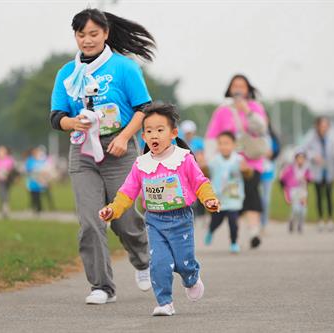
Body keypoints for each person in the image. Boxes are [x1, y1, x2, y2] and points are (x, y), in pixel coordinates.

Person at [49, 8, 154, 304]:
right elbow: (56, 116)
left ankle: (143, 259)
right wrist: (73, 123)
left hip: (119, 149)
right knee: (90, 222)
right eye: (81, 34)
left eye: (93, 34)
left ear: (105, 34)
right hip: (82, 151)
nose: (87, 40)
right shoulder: (67, 73)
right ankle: (101, 286)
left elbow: (143, 108)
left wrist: (123, 137)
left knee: (123, 217)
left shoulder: (124, 67)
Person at [99, 104, 219, 316]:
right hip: (154, 221)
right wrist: (113, 209)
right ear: (143, 136)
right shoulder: (141, 164)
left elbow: (200, 182)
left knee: (184, 263)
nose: (154, 135)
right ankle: (164, 302)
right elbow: (127, 192)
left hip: (180, 218)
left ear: (173, 133)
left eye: (160, 130)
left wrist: (209, 200)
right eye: (149, 131)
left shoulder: (183, 159)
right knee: (159, 263)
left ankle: (191, 277)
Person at [205, 74, 268, 248]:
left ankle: (254, 231)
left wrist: (247, 111)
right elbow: (211, 137)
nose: (238, 89)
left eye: (242, 86)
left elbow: (261, 128)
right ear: (230, 89)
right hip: (228, 164)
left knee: (252, 194)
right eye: (235, 86)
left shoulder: (255, 107)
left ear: (248, 89)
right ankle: (230, 230)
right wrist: (210, 162)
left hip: (251, 161)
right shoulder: (222, 111)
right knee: (231, 198)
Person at [204, 131, 249, 253]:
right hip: (218, 197)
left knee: (233, 221)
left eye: (227, 143)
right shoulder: (214, 161)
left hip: (233, 196)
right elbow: (204, 172)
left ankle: (234, 243)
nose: (223, 146)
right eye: (221, 143)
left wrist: (246, 170)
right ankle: (211, 231)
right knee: (216, 221)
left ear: (234, 145)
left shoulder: (239, 160)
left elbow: (248, 173)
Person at [304, 117, 334, 232]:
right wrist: (314, 156)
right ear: (317, 126)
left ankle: (330, 219)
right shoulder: (311, 138)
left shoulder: (332, 138)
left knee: (329, 196)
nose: (324, 128)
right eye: (321, 126)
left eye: (326, 126)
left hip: (329, 171)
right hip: (317, 171)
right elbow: (305, 151)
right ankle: (320, 220)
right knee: (319, 196)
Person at [280, 151, 312, 233]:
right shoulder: (290, 168)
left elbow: (310, 178)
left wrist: (306, 179)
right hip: (293, 190)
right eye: (299, 158)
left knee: (303, 209)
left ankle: (300, 224)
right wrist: (285, 188)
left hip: (302, 190)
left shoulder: (306, 169)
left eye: (302, 158)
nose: (300, 160)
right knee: (296, 209)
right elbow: (283, 178)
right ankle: (292, 220)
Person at [260, 121, 280, 232]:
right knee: (257, 199)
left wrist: (272, 153)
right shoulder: (253, 134)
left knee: (266, 199)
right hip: (256, 171)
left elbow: (277, 149)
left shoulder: (271, 136)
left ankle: (264, 223)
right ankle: (256, 222)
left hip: (268, 170)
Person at [25, 147, 47, 214]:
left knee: (38, 195)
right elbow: (28, 170)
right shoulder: (30, 160)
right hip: (32, 181)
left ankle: (39, 208)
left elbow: (44, 169)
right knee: (33, 195)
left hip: (40, 181)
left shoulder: (41, 160)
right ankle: (34, 208)